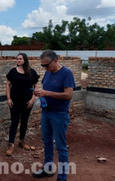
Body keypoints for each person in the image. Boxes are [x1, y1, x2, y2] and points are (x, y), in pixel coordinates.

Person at [32, 50, 75, 181]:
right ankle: (48, 169)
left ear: (55, 60)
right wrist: (39, 93)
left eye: (46, 65)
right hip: (46, 112)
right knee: (47, 142)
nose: (45, 68)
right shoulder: (48, 73)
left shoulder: (66, 73)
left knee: (61, 146)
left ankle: (62, 177)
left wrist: (47, 93)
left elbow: (68, 95)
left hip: (59, 114)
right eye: (42, 66)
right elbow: (46, 89)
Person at [5, 53, 40, 156]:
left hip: (27, 101)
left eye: (20, 59)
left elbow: (36, 85)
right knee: (14, 122)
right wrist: (8, 98)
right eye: (17, 59)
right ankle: (11, 144)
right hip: (15, 101)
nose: (18, 60)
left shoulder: (32, 72)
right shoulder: (13, 71)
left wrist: (33, 99)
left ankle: (22, 141)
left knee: (24, 121)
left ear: (25, 60)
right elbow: (7, 84)